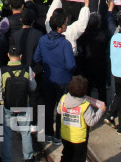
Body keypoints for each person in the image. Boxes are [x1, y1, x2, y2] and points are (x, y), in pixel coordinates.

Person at [33, 9, 77, 144]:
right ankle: (59, 135)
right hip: (63, 81)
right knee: (61, 108)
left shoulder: (42, 40)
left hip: (48, 79)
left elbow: (36, 57)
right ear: (59, 28)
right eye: (65, 24)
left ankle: (48, 134)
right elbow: (71, 65)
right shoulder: (65, 44)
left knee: (48, 106)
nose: (66, 26)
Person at [0, 43, 36, 162]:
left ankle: (6, 158)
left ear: (8, 55)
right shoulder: (27, 69)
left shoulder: (1, 71)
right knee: (25, 132)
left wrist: (3, 101)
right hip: (23, 104)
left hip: (7, 106)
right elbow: (33, 87)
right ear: (21, 56)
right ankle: (28, 157)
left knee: (7, 133)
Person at [59, 74, 106, 162]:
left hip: (65, 135)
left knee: (66, 155)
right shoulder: (85, 105)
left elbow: (59, 111)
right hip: (79, 139)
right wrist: (101, 111)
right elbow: (91, 122)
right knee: (79, 158)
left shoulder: (63, 99)